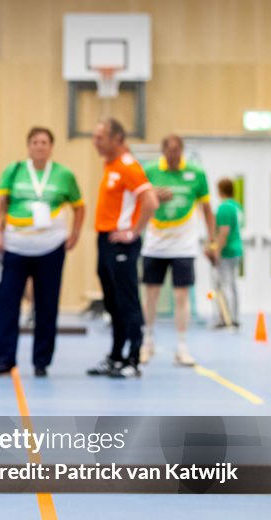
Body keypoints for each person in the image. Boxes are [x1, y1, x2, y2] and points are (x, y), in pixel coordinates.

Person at [0, 126, 85, 378]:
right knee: (6, 302)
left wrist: (74, 235)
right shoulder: (15, 170)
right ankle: (4, 360)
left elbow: (79, 206)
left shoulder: (64, 175)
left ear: (51, 147)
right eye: (35, 142)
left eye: (44, 142)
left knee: (47, 304)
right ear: (29, 146)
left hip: (50, 248)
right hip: (16, 247)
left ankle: (41, 362)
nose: (40, 146)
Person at [87, 118, 158, 379]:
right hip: (105, 239)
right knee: (113, 301)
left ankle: (134, 358)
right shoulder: (111, 164)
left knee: (127, 300)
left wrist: (133, 232)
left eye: (100, 136)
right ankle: (116, 356)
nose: (96, 141)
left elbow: (150, 201)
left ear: (117, 138)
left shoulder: (129, 165)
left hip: (122, 243)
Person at [140, 135, 216, 366]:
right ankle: (147, 340)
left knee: (181, 295)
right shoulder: (150, 171)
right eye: (169, 151)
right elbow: (137, 201)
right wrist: (153, 196)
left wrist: (211, 241)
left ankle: (182, 346)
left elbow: (206, 208)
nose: (173, 155)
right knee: (151, 294)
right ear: (163, 151)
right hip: (156, 243)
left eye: (177, 151)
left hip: (184, 245)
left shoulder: (196, 174)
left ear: (182, 151)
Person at [209, 178, 244, 328]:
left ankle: (225, 318)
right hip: (236, 249)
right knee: (232, 283)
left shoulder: (224, 208)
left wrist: (217, 250)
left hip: (227, 251)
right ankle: (234, 316)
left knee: (223, 285)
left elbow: (224, 231)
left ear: (220, 190)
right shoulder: (237, 206)